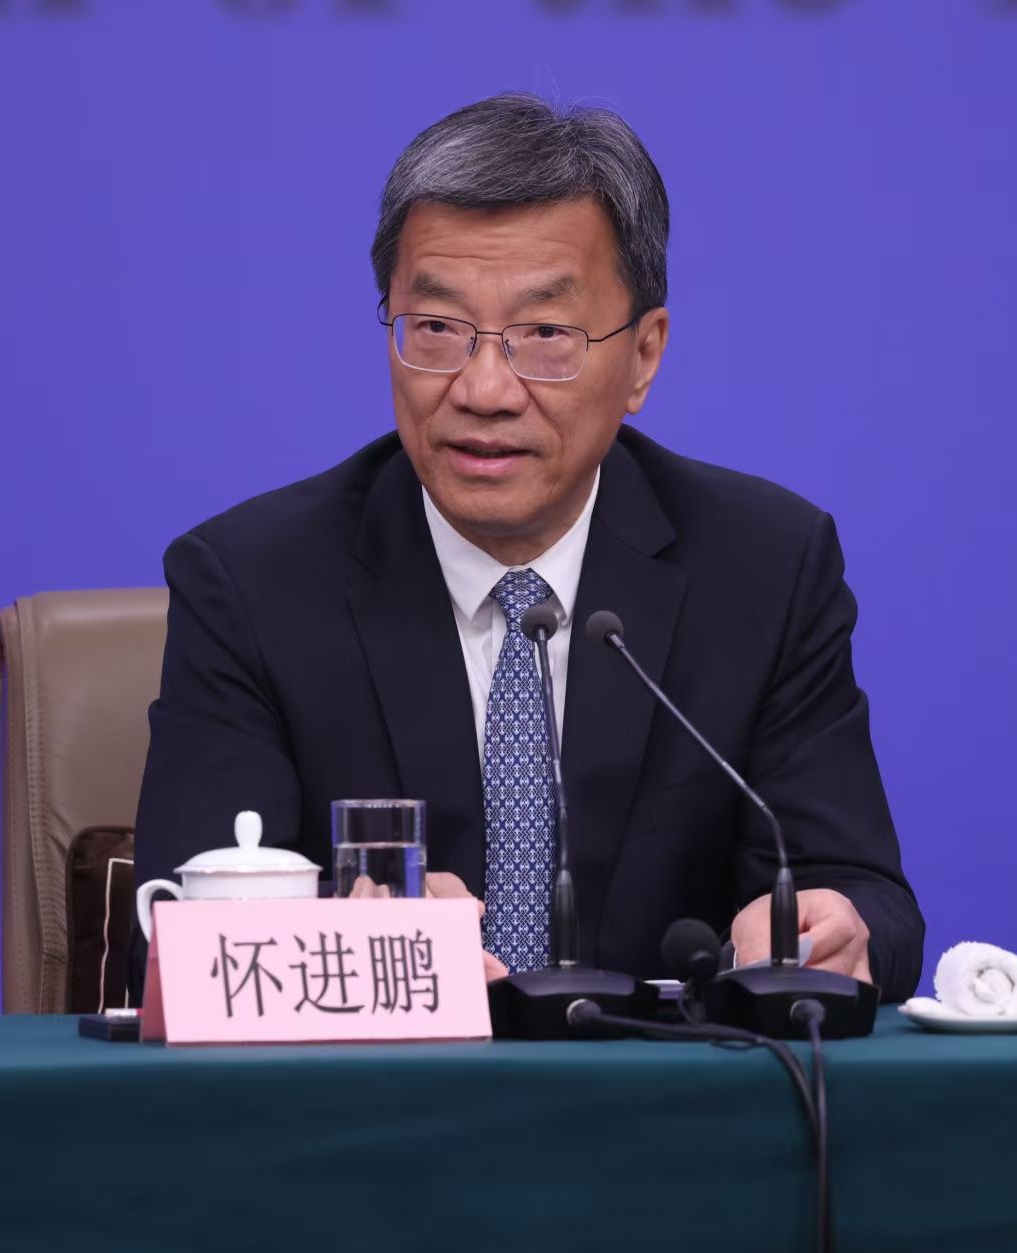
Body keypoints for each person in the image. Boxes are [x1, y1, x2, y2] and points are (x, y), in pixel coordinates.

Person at [133, 92, 923, 999]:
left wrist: (825, 926)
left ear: (644, 356)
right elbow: (184, 930)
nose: (483, 389)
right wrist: (354, 945)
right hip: (378, 1084)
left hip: (664, 1087)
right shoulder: (252, 584)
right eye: (437, 329)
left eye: (545, 335)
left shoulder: (765, 568)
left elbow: (866, 895)